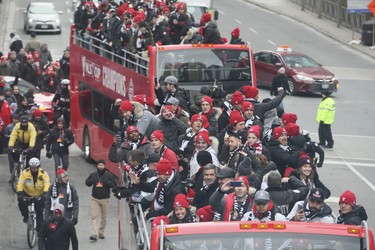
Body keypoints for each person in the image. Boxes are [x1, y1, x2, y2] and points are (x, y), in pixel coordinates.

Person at [85, 159, 117, 240]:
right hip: (95, 199)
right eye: (99, 165)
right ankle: (94, 234)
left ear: (104, 166)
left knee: (104, 217)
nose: (101, 166)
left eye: (102, 165)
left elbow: (114, 185)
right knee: (94, 216)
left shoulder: (109, 175)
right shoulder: (93, 174)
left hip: (105, 199)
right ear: (97, 165)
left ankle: (101, 232)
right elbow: (87, 183)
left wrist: (108, 183)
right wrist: (91, 181)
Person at [17, 158, 50, 230]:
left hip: (39, 194)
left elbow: (47, 183)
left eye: (36, 167)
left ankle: (39, 230)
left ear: (38, 166)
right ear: (30, 167)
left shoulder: (44, 174)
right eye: (32, 167)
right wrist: (19, 192)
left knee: (39, 212)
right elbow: (20, 183)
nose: (34, 169)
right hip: (27, 193)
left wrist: (45, 193)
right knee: (20, 201)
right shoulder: (24, 173)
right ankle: (26, 217)